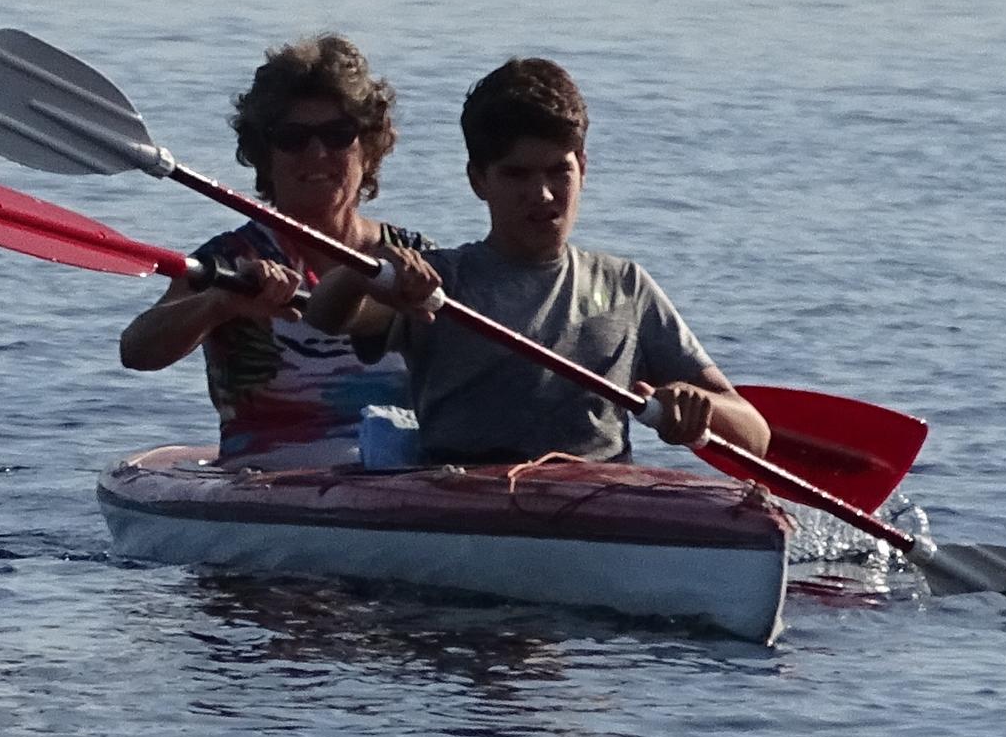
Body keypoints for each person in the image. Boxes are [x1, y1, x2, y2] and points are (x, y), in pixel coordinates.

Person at [322, 56, 771, 468]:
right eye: (517, 174)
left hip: (594, 497)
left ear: (584, 168)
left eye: (559, 171)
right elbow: (326, 314)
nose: (542, 195)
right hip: (463, 494)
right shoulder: (439, 284)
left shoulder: (624, 287)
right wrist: (367, 270)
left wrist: (696, 408)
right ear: (479, 180)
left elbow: (755, 434)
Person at [118, 35, 433, 464]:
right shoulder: (228, 261)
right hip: (266, 485)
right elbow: (136, 350)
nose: (317, 153)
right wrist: (219, 304)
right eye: (293, 138)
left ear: (369, 147)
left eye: (338, 135)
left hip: (401, 486)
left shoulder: (416, 259)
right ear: (264, 154)